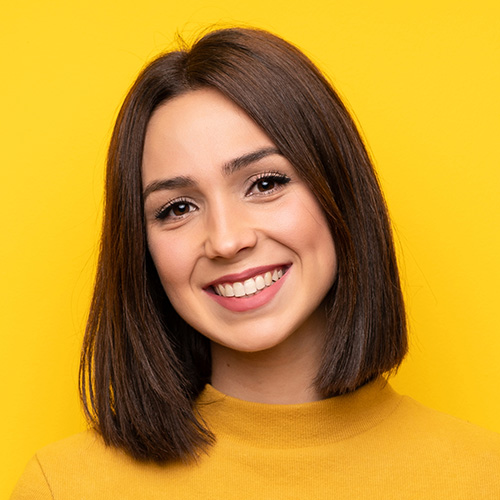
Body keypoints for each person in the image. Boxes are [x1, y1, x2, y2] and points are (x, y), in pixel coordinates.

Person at [11, 27, 500, 499]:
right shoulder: (66, 488)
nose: (226, 240)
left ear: (339, 190)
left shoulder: (481, 477)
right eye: (177, 208)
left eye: (265, 183)